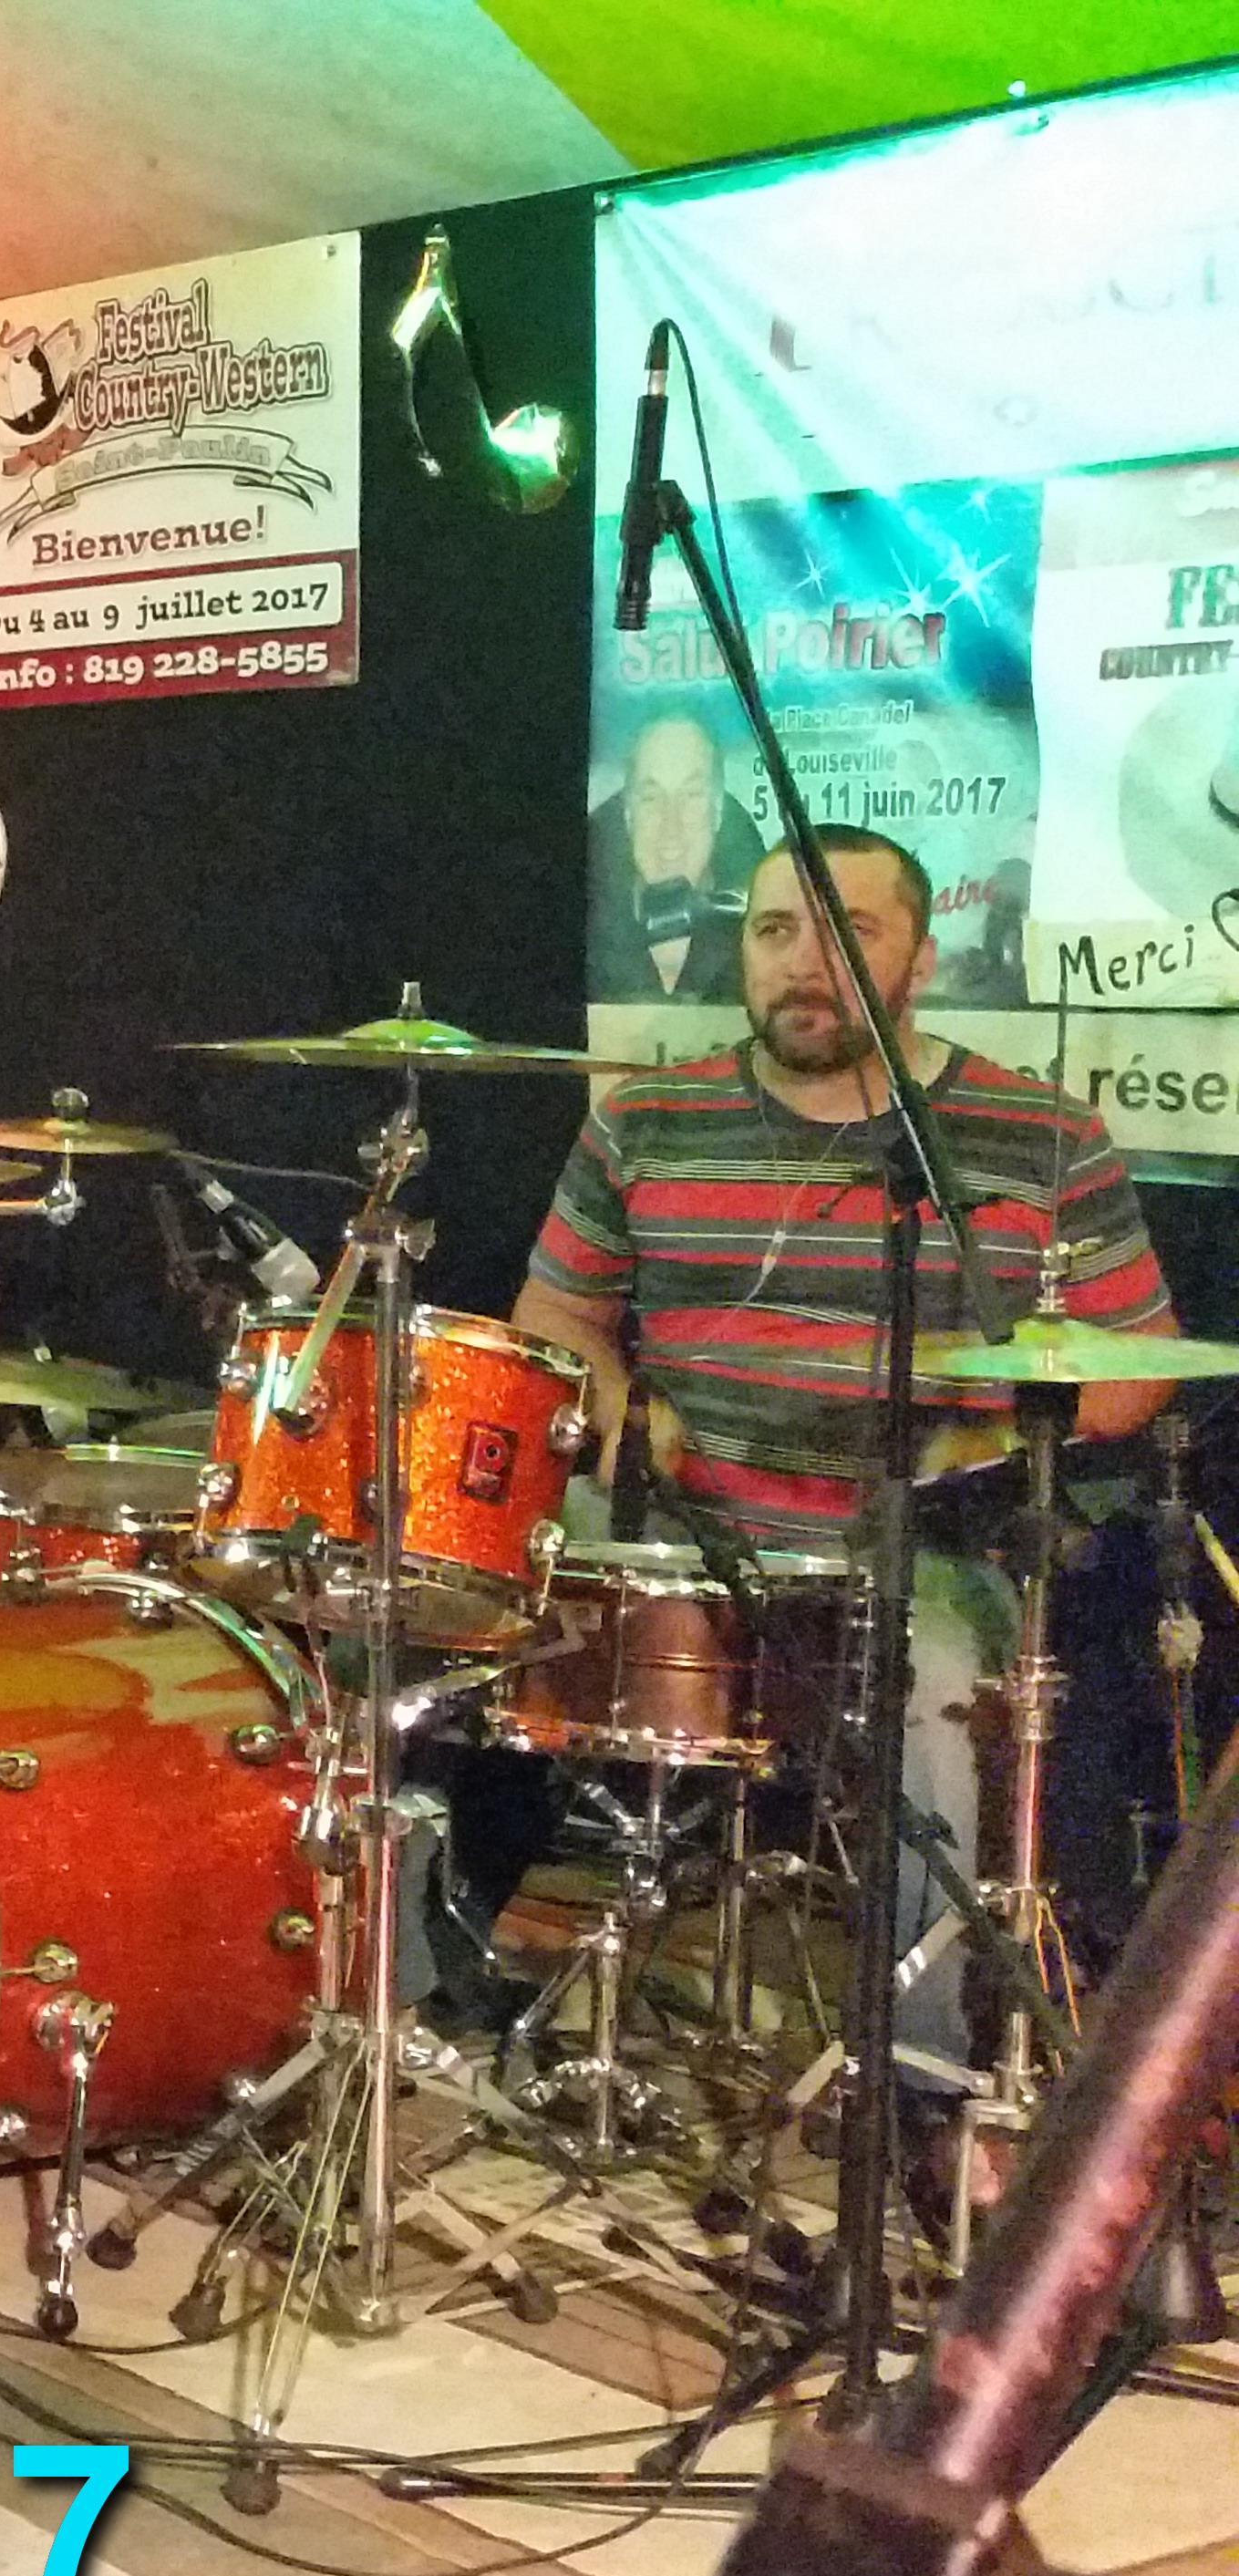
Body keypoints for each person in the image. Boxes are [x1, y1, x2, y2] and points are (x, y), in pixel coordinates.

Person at [505, 822, 1175, 2163]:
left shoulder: (1037, 1134)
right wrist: (623, 1411)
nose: (802, 964)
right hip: (678, 1526)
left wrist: (986, 1431)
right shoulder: (646, 1118)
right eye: (773, 932)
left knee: (941, 1690)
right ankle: (421, 1985)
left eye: (846, 932)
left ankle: (918, 2083)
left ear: (920, 960)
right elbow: (553, 1318)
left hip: (907, 1544)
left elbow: (1138, 1362)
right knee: (436, 1588)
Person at [585, 709, 767, 1003]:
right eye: (651, 798)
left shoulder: (766, 944)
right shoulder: (571, 934)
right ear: (628, 815)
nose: (671, 826)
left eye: (692, 795)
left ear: (718, 811)